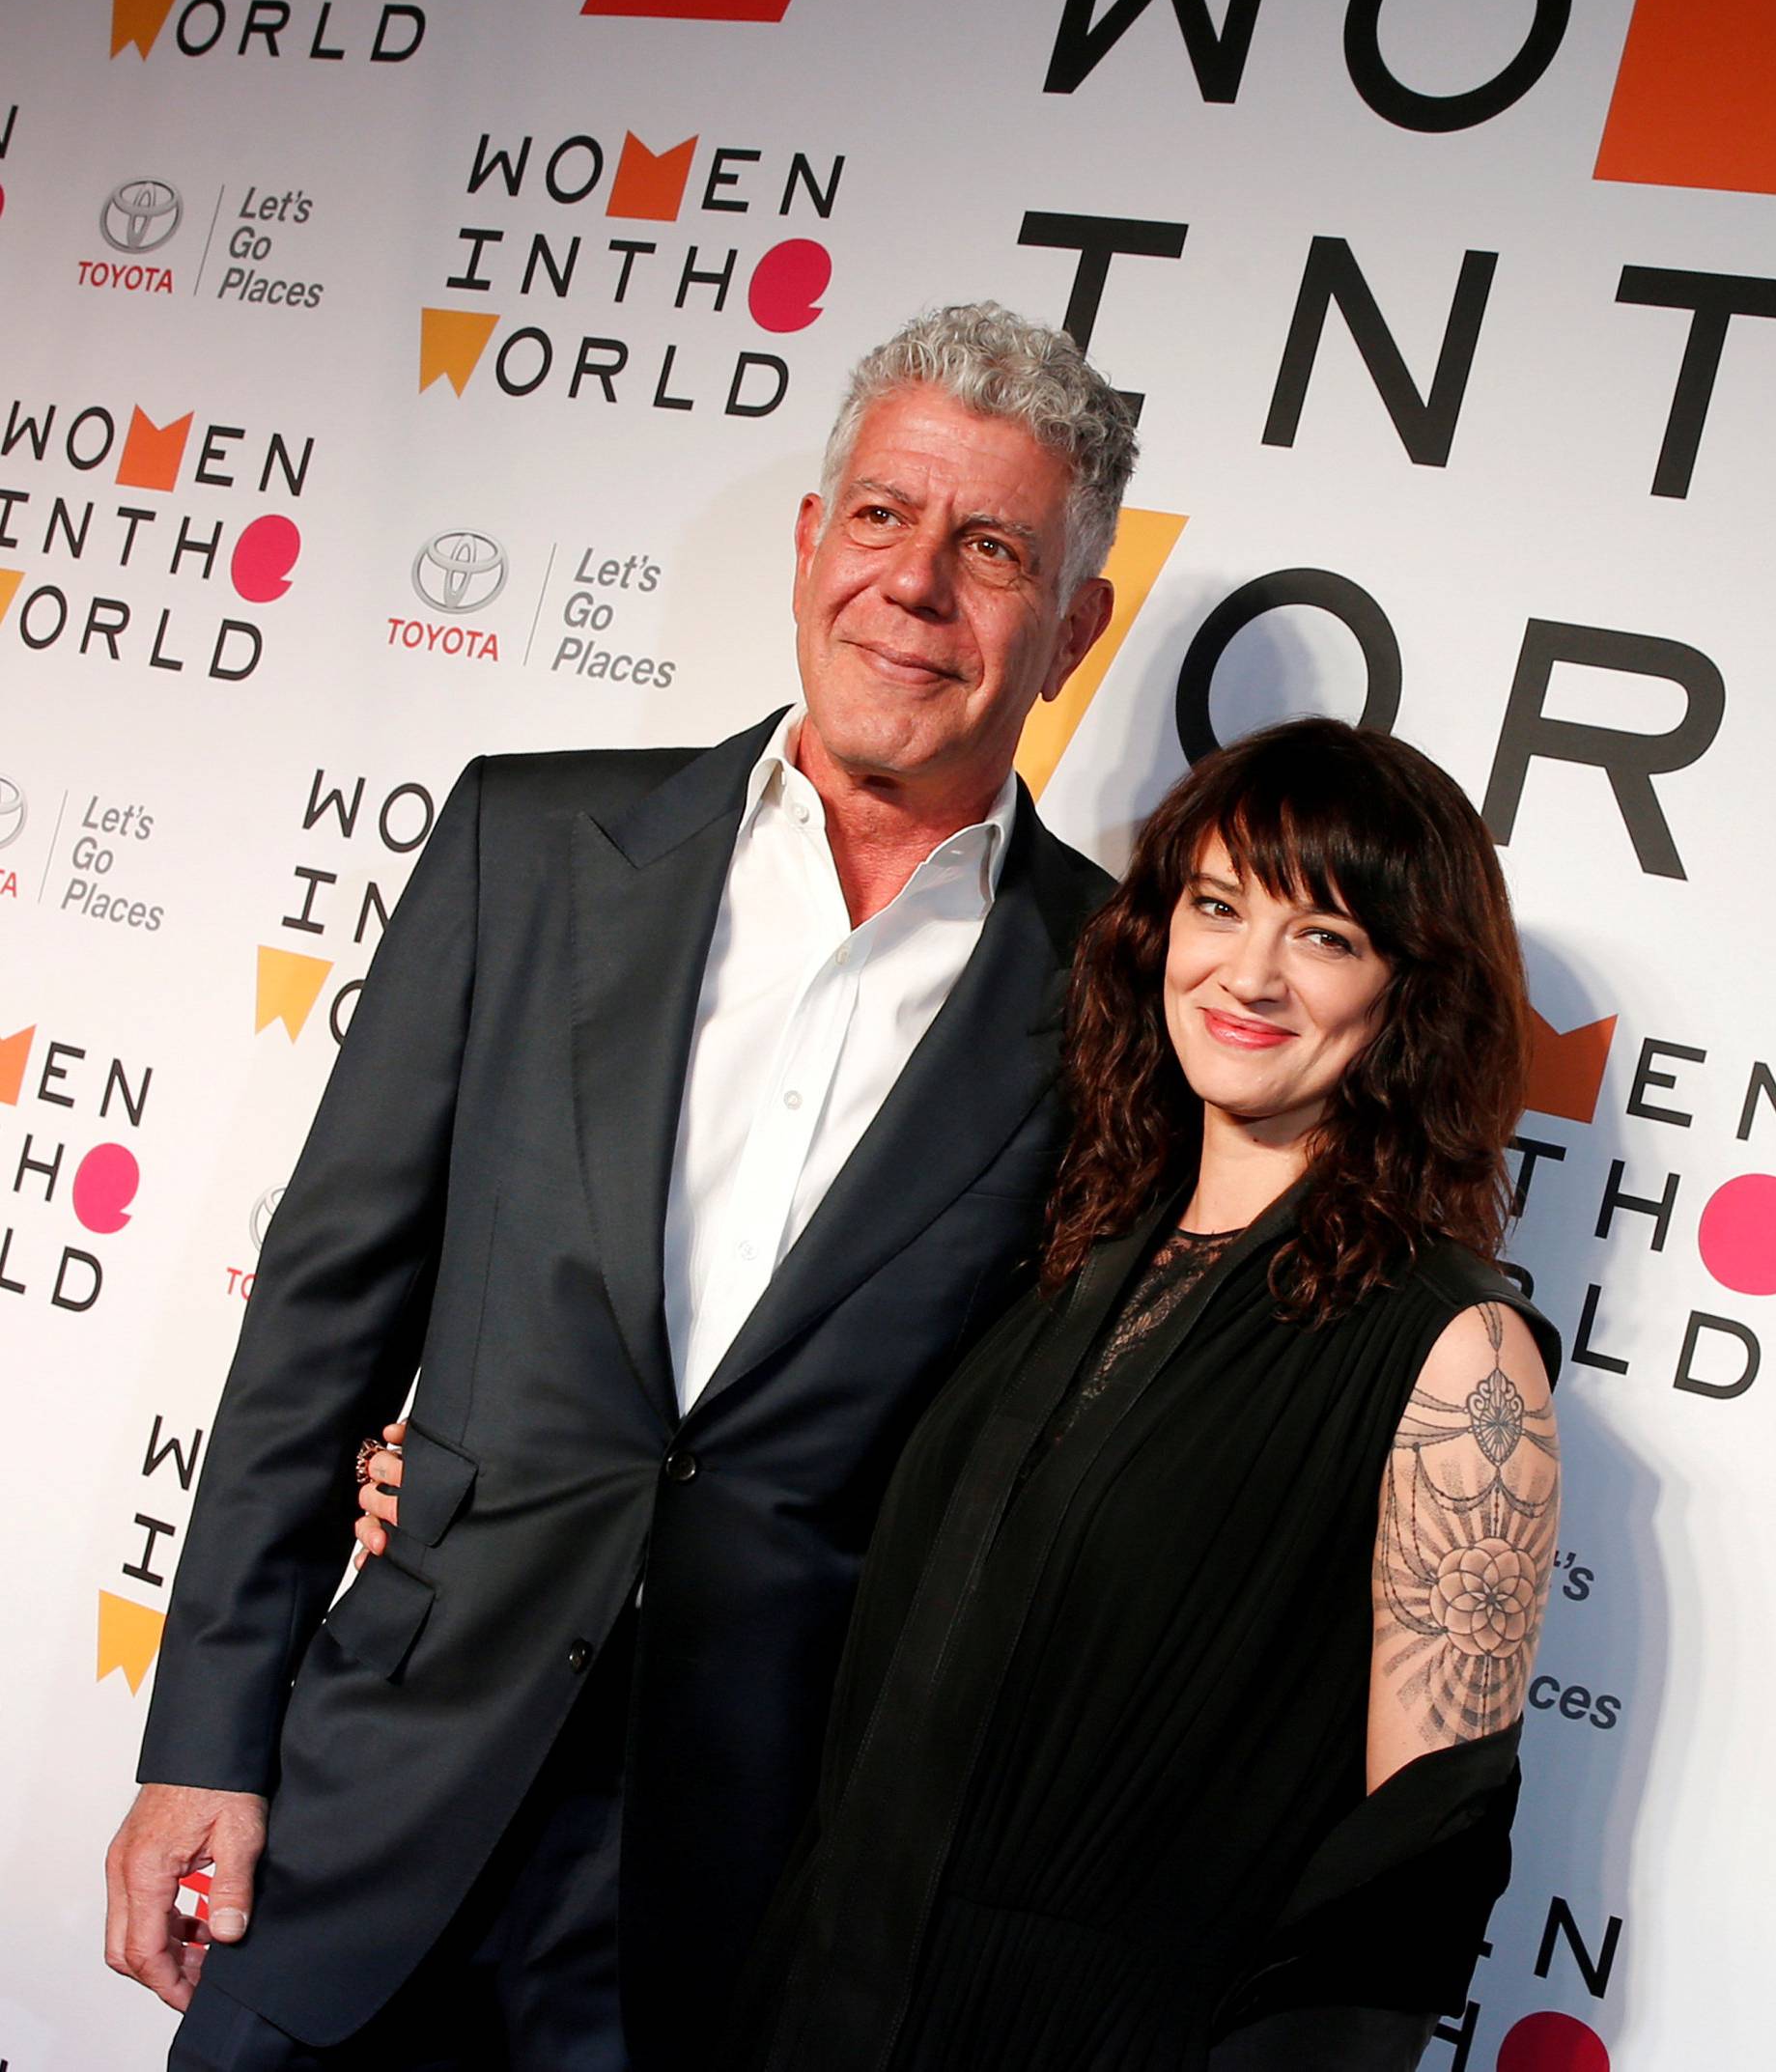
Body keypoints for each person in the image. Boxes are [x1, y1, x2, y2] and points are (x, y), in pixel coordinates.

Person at [103, 303, 1138, 2071]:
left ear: (1072, 631)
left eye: (992, 549)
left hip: (735, 1900)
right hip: (372, 1798)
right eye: (881, 516)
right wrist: (203, 1735)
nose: (916, 585)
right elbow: (322, 1319)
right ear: (809, 545)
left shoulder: (1116, 994)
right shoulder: (528, 844)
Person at [359, 718, 1563, 2070]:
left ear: (1413, 990)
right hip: (818, 2001)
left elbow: (1417, 1862)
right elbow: (807, 1516)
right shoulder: (1069, 1258)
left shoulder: (1453, 1351)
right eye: (1219, 906)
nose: (1251, 972)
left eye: (1327, 935)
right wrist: (499, 1484)